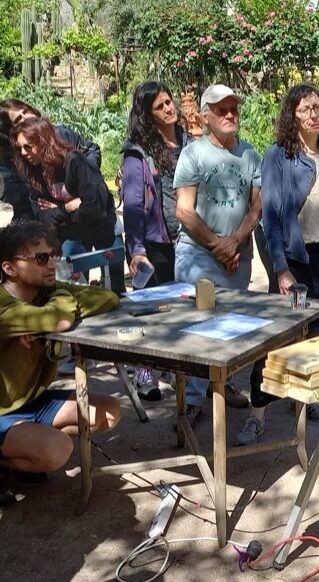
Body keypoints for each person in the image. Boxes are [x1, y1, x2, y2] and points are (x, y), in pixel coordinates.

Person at [0, 221, 121, 509]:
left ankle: (23, 451)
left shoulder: (44, 293)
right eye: (41, 258)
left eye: (54, 254)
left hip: (30, 402)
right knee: (58, 450)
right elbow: (61, 319)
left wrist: (51, 308)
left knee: (109, 412)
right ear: (9, 268)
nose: (52, 263)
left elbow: (107, 297)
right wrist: (54, 314)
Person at [245, 85, 319, 443]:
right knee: (279, 339)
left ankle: (307, 400)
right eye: (305, 109)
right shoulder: (278, 155)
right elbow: (271, 216)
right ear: (292, 115)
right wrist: (280, 268)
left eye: (317, 107)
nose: (313, 114)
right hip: (296, 263)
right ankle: (257, 414)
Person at [172, 84, 262, 429]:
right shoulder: (193, 154)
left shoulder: (250, 154)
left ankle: (221, 386)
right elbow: (184, 210)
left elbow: (257, 206)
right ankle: (192, 401)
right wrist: (218, 245)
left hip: (236, 256)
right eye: (221, 110)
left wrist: (235, 241)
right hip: (198, 256)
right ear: (205, 116)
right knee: (197, 329)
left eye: (233, 109)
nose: (229, 115)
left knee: (229, 329)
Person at [121, 81, 188, 401]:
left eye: (169, 101)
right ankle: (144, 371)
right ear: (148, 114)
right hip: (155, 242)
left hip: (188, 239)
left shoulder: (189, 142)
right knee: (151, 309)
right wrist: (136, 250)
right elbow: (133, 204)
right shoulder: (138, 153)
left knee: (185, 308)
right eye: (160, 106)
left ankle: (180, 370)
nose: (169, 108)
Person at [12, 115, 124, 293]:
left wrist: (58, 213)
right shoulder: (32, 172)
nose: (24, 153)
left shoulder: (74, 161)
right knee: (74, 290)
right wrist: (67, 207)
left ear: (43, 142)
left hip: (105, 230)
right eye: (20, 149)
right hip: (72, 235)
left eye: (28, 146)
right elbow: (42, 217)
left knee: (115, 289)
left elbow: (93, 209)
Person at [0, 99, 102, 222]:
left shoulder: (61, 135)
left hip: (83, 213)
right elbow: (31, 205)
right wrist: (61, 208)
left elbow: (92, 150)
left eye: (26, 111)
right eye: (18, 119)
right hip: (43, 221)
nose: (27, 117)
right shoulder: (8, 164)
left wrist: (84, 181)